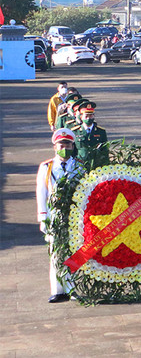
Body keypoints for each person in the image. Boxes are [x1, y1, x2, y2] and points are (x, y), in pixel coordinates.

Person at [36, 128, 84, 303]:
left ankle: (72, 288)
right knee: (56, 252)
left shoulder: (79, 166)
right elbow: (41, 192)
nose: (64, 148)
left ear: (72, 146)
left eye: (67, 145)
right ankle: (58, 290)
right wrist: (43, 217)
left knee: (74, 252)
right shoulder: (47, 167)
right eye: (61, 145)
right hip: (54, 215)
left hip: (73, 215)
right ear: (55, 147)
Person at [73, 101, 108, 168]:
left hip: (96, 165)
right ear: (81, 117)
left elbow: (105, 150)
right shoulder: (75, 131)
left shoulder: (101, 131)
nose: (88, 118)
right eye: (86, 116)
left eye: (91, 115)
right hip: (80, 165)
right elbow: (73, 150)